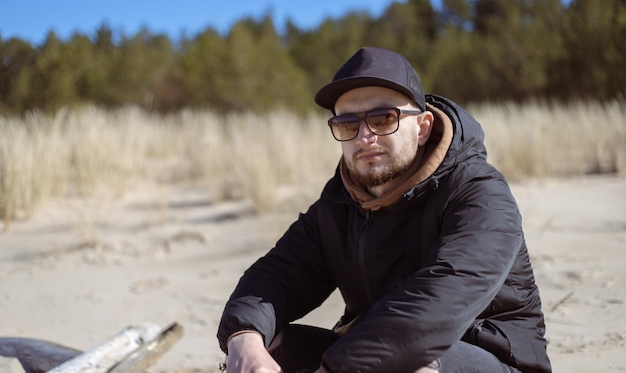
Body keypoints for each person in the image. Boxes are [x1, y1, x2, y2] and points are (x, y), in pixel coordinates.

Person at [217, 47, 552, 373]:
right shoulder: (337, 206)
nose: (365, 136)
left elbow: (436, 305)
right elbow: (276, 277)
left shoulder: (479, 193)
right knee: (268, 346)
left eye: (382, 118)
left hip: (487, 358)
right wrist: (245, 339)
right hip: (369, 355)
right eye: (348, 123)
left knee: (408, 361)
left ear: (422, 128)